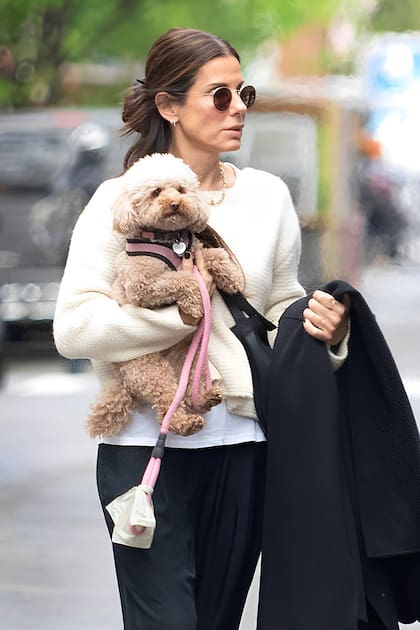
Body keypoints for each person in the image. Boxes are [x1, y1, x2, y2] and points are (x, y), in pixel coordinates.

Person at [53, 27, 349, 630]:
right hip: (142, 451)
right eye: (220, 95)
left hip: (243, 447)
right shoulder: (121, 200)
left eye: (245, 93)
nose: (239, 108)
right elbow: (76, 328)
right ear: (169, 105)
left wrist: (329, 333)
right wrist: (183, 307)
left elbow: (279, 309)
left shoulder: (268, 197)